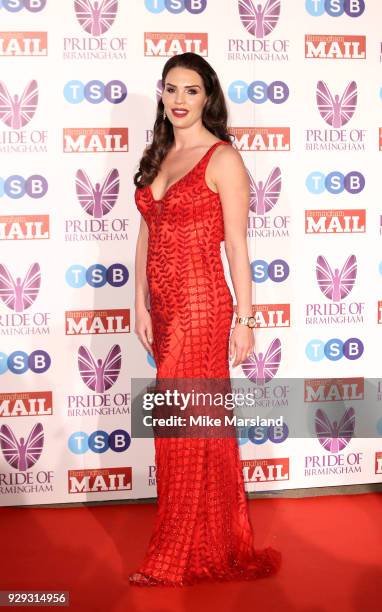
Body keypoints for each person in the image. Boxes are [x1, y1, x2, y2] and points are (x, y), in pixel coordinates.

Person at [129, 52, 281, 587]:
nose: (178, 99)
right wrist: (139, 300)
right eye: (171, 89)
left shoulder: (223, 159)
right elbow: (148, 232)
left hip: (201, 306)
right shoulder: (159, 155)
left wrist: (246, 317)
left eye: (190, 90)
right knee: (190, 426)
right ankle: (207, 541)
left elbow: (238, 244)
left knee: (184, 428)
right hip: (164, 308)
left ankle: (173, 556)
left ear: (207, 97)